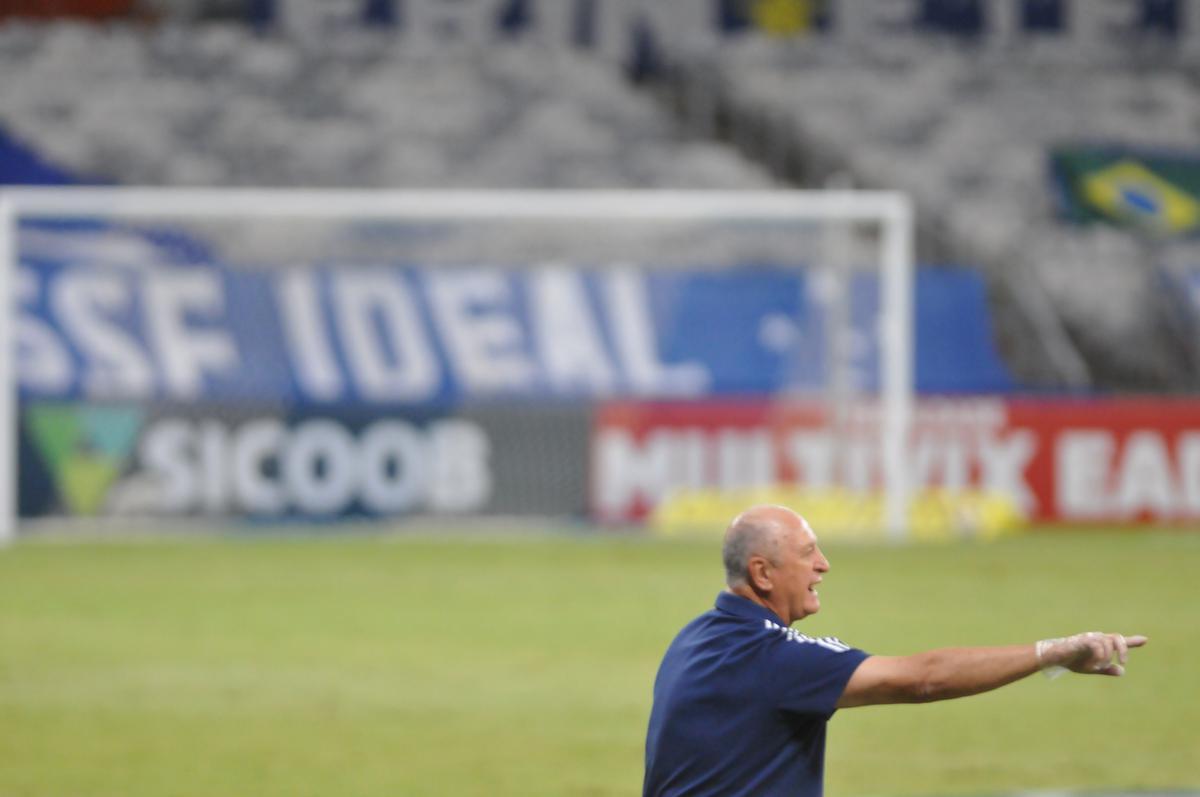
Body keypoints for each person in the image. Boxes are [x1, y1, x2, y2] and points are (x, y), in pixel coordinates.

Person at [642, 504, 1147, 797]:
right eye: (807, 552)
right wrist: (1052, 652)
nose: (824, 564)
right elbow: (923, 678)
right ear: (762, 573)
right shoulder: (775, 657)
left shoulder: (694, 637)